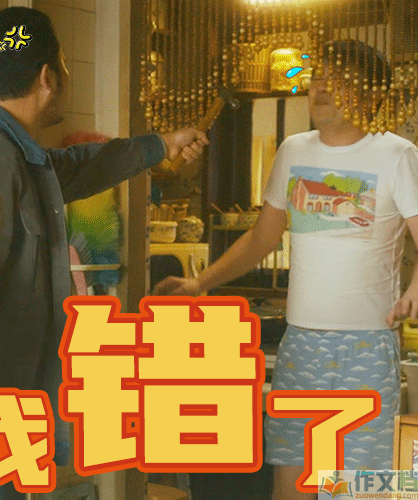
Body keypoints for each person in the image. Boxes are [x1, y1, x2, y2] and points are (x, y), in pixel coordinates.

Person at [0, 7, 208, 499]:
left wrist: (159, 146)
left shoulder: (4, 147)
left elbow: (71, 168)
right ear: (47, 77)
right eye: (65, 64)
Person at [154, 40, 418, 500]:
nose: (321, 88)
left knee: (358, 489)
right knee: (291, 483)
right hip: (300, 344)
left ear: (372, 93)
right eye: (318, 77)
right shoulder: (294, 150)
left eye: (339, 78)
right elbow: (261, 239)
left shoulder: (397, 154)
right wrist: (199, 282)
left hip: (366, 346)